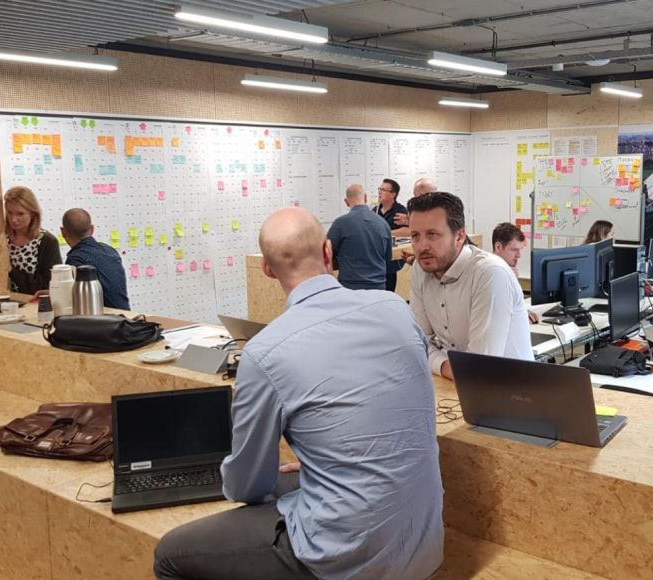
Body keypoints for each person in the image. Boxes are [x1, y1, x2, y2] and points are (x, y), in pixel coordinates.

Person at [154, 207, 444, 580]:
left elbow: (246, 485)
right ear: (328, 252)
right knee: (291, 483)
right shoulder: (396, 310)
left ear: (267, 269)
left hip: (350, 560)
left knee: (169, 554)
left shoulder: (265, 352)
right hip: (424, 547)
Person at [409, 192, 533, 380]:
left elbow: (480, 366)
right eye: (415, 236)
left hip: (510, 389)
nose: (421, 246)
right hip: (455, 384)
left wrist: (439, 363)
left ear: (460, 236)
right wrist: (445, 366)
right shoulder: (421, 269)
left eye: (432, 235)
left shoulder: (489, 273)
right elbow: (417, 344)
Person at [60, 208, 130, 310]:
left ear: (63, 232)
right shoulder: (110, 251)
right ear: (92, 229)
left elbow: (74, 300)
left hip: (103, 318)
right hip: (127, 316)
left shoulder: (75, 260)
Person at [326, 184, 392, 290]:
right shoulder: (383, 224)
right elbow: (387, 258)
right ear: (365, 198)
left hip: (350, 288)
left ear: (346, 202)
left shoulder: (340, 224)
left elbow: (327, 253)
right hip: (378, 287)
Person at [4, 186, 61, 295]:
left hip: (32, 303)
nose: (13, 219)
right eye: (9, 212)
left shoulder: (47, 242)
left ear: (32, 213)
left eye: (20, 214)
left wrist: (12, 271)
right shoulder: (0, 238)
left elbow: (47, 286)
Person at [492, 222, 539, 324]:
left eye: (520, 250)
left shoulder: (509, 272)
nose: (519, 255)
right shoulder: (490, 275)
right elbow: (496, 313)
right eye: (514, 250)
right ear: (498, 247)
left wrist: (521, 311)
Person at [373, 178, 409, 289]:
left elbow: (407, 231)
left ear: (393, 194)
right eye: (379, 189)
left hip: (391, 260)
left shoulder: (400, 211)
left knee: (388, 289)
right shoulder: (375, 211)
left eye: (383, 190)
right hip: (376, 258)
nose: (379, 192)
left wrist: (385, 233)